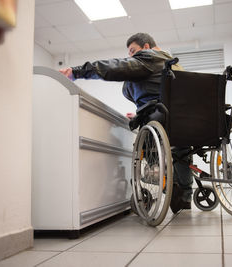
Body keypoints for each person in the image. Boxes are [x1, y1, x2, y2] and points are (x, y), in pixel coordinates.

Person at [59, 33, 192, 213]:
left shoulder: (149, 57)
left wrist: (78, 71)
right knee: (182, 152)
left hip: (160, 118)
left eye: (133, 51)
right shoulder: (176, 65)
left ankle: (165, 185)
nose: (131, 57)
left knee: (147, 152)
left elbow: (115, 67)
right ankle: (184, 196)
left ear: (146, 47)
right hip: (184, 122)